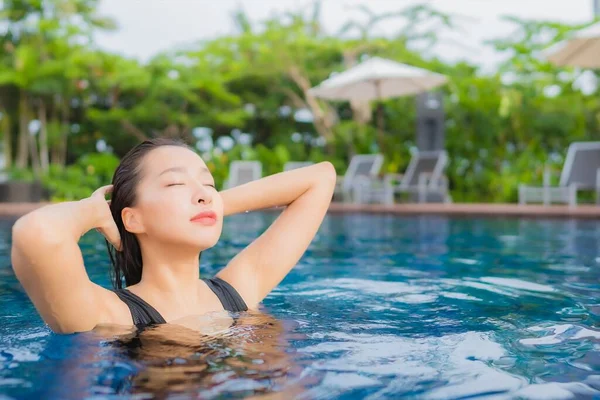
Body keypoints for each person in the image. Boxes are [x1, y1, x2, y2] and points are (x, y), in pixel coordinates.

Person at [11, 137, 336, 334]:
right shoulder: (110, 315)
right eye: (176, 184)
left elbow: (321, 177)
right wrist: (95, 211)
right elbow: (36, 233)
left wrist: (213, 204)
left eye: (208, 184)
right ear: (133, 218)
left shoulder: (237, 291)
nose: (204, 194)